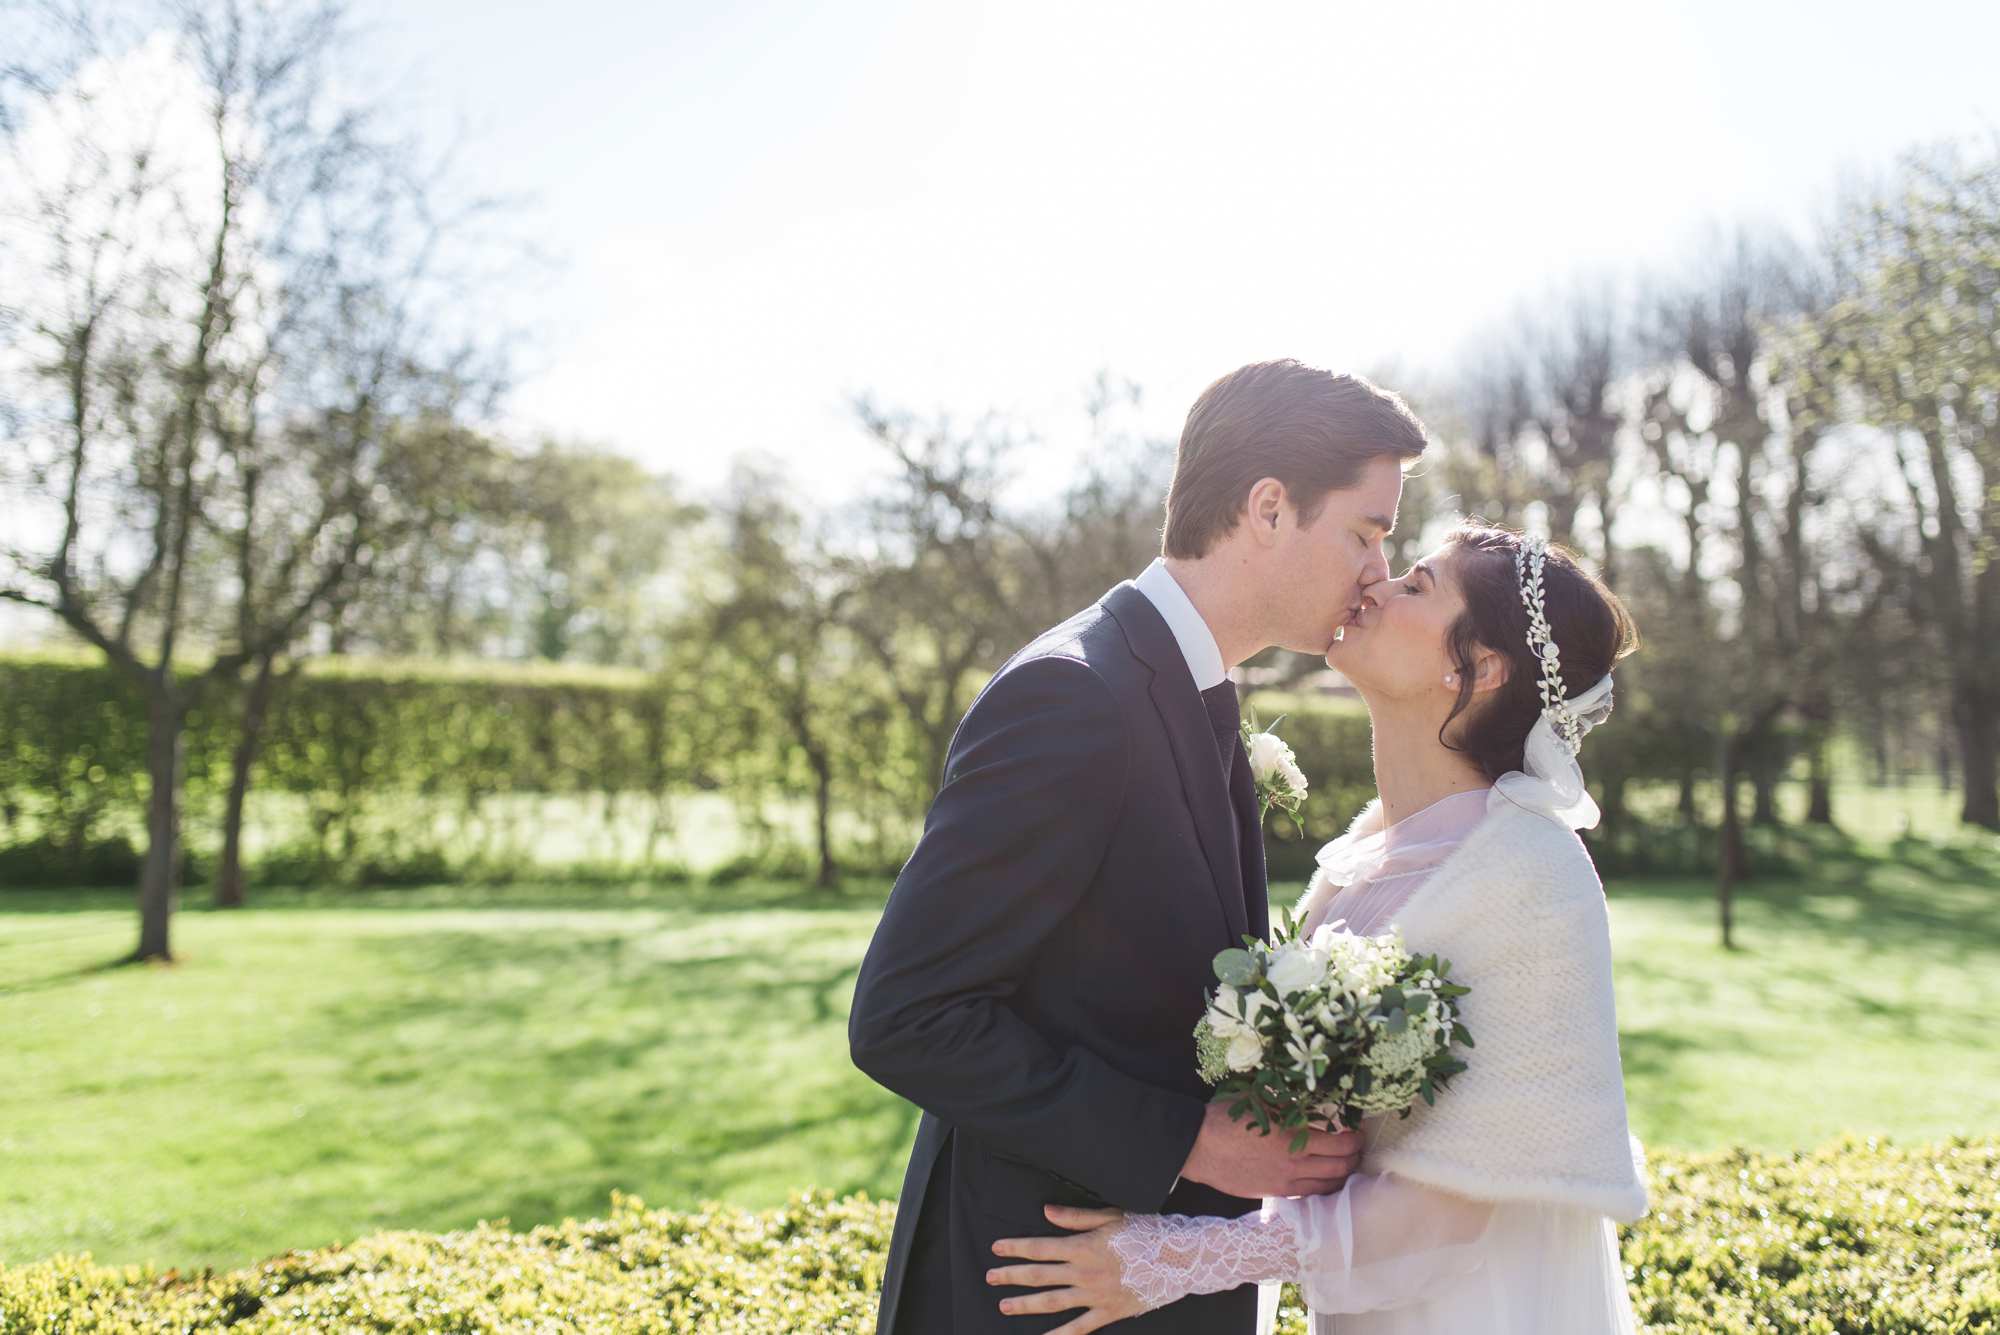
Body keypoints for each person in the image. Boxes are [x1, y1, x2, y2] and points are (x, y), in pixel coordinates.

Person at [847, 359, 1432, 1334]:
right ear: (1269, 508)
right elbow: (906, 1015)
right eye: (1364, 533)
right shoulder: (1073, 697)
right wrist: (1191, 1144)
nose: (1376, 569)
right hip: (1035, 1294)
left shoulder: (1190, 687)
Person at [985, 525, 1648, 1335]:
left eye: (1416, 584)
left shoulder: (1534, 872)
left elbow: (1455, 1204)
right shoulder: (1359, 857)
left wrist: (1176, 1258)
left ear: (1476, 669)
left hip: (1482, 1306)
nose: (1375, 582)